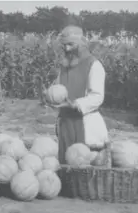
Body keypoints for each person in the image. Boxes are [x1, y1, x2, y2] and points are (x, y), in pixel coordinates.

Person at [45, 25, 109, 164]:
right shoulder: (65, 66)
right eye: (64, 45)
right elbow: (58, 89)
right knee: (66, 165)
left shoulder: (94, 65)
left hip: (84, 124)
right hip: (65, 124)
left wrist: (75, 104)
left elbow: (97, 96)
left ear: (82, 43)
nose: (67, 49)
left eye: (71, 44)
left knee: (83, 167)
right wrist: (48, 94)